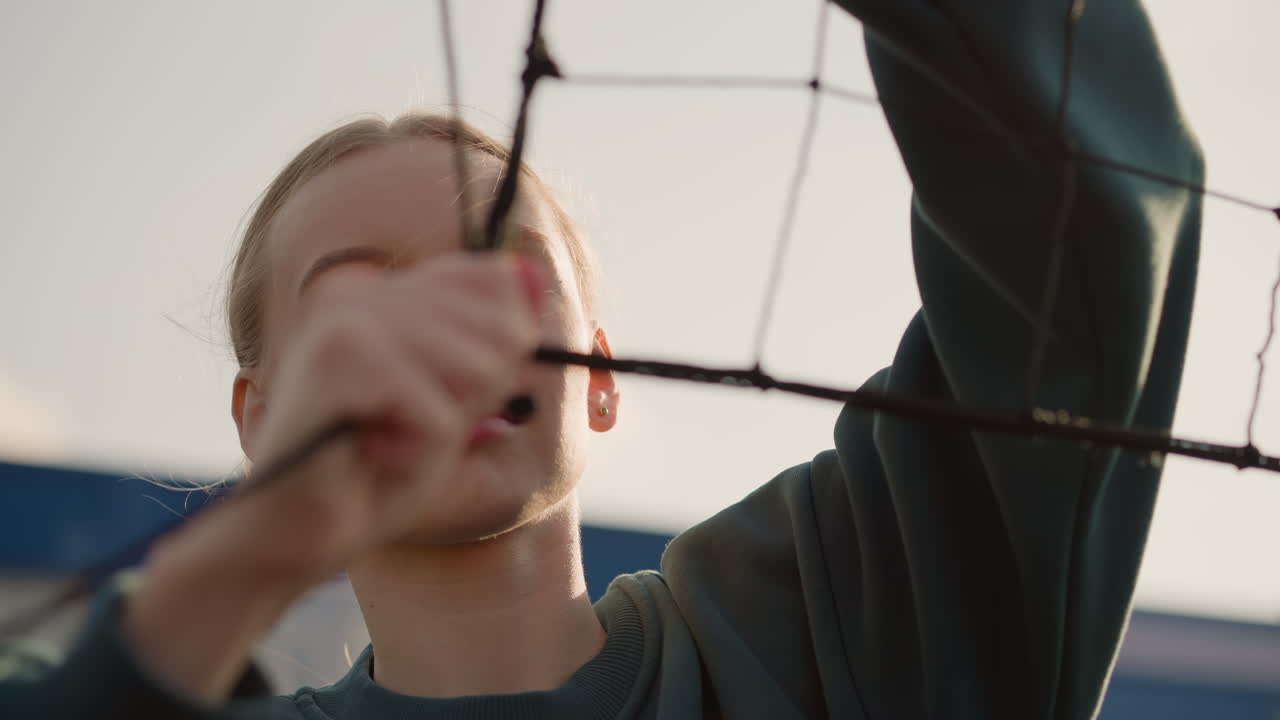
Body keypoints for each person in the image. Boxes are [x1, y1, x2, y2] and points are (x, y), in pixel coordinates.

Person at [1, 0, 1203, 717]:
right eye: (362, 301)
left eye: (501, 273)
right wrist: (255, 546)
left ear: (604, 374)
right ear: (260, 419)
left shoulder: (832, 628)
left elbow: (1086, 243)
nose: (444, 335)